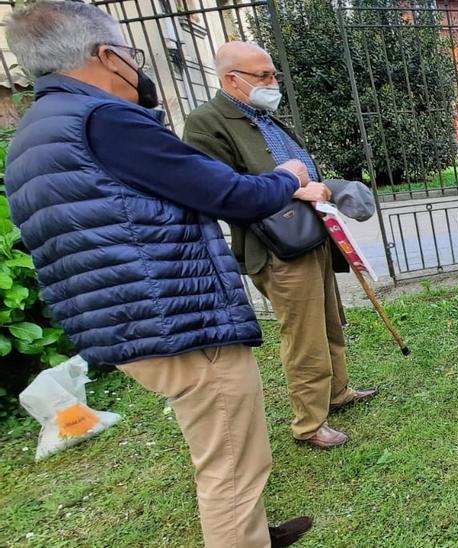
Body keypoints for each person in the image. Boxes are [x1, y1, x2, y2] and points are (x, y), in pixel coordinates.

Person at [3, 2, 330, 546]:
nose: (136, 65)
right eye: (130, 54)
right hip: (177, 318)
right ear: (106, 56)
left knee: (218, 442)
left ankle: (250, 532)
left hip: (125, 319)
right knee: (231, 460)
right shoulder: (104, 120)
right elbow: (226, 192)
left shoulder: (36, 132)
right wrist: (288, 176)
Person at [183, 42, 377, 450]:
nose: (273, 83)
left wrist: (320, 189)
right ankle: (309, 424)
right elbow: (223, 193)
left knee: (329, 321)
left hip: (313, 234)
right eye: (264, 76)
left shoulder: (266, 117)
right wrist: (294, 190)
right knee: (304, 337)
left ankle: (338, 392)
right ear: (231, 78)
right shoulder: (208, 123)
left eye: (274, 74)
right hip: (276, 247)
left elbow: (301, 172)